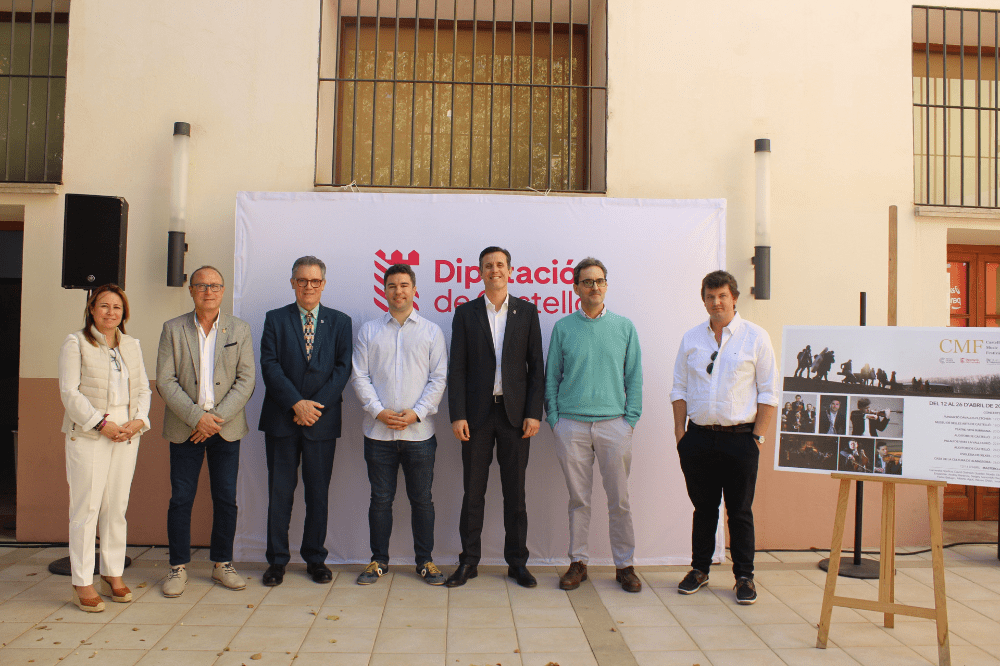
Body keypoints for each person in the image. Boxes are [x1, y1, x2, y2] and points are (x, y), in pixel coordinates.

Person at [670, 270, 777, 605]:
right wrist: (680, 434)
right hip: (698, 439)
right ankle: (699, 570)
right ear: (704, 300)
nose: (716, 303)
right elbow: (679, 388)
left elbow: (769, 393)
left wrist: (757, 438)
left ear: (734, 298)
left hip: (741, 440)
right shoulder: (692, 338)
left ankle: (744, 577)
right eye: (710, 297)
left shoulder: (755, 337)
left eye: (722, 296)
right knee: (703, 509)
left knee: (739, 511)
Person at [446, 246, 544, 588]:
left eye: (500, 264)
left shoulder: (527, 312)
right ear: (480, 272)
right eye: (488, 265)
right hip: (477, 417)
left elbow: (536, 368)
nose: (495, 270)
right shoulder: (465, 313)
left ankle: (517, 563)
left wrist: (533, 413)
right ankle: (468, 562)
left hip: (515, 418)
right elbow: (457, 368)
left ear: (510, 270)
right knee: (473, 493)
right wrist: (457, 415)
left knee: (515, 495)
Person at [156, 266, 256, 597]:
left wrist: (215, 420)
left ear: (223, 291)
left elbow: (246, 380)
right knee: (181, 498)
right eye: (201, 286)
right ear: (191, 290)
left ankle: (222, 564)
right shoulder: (173, 329)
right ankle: (177, 567)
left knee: (225, 498)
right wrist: (197, 418)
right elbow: (165, 380)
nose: (208, 291)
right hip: (185, 427)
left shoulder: (239, 329)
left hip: (225, 429)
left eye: (214, 286)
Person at [545, 258, 643, 593]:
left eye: (599, 281)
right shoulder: (563, 328)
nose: (594, 287)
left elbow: (634, 377)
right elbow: (551, 377)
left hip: (614, 425)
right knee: (579, 500)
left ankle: (625, 565)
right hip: (571, 425)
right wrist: (555, 420)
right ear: (576, 288)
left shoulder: (624, 327)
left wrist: (630, 420)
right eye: (587, 282)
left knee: (620, 500)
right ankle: (578, 562)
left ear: (606, 285)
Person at [351, 263, 448, 585]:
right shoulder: (369, 331)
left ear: (414, 290)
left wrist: (416, 413)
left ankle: (425, 561)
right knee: (380, 500)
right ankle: (378, 560)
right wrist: (378, 411)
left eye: (404, 285)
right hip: (378, 433)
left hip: (419, 434)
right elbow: (359, 376)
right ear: (384, 290)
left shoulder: (431, 332)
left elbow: (438, 378)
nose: (398, 291)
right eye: (392, 285)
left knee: (422, 500)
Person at [259, 256, 352, 586]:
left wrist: (315, 407)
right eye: (302, 280)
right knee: (280, 494)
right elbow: (270, 365)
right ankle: (276, 561)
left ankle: (315, 559)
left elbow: (343, 368)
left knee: (318, 494)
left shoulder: (340, 322)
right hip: (282, 420)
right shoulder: (275, 319)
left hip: (322, 422)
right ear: (293, 283)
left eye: (314, 281)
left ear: (323, 284)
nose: (308, 286)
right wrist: (296, 404)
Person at [59, 284, 151, 612]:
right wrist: (101, 424)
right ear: (92, 309)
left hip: (126, 434)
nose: (111, 312)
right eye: (104, 306)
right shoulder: (76, 343)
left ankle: (112, 574)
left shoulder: (132, 345)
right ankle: (82, 581)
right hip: (90, 434)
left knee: (116, 507)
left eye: (117, 307)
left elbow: (143, 389)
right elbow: (70, 393)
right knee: (86, 510)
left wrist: (139, 421)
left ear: (124, 313)